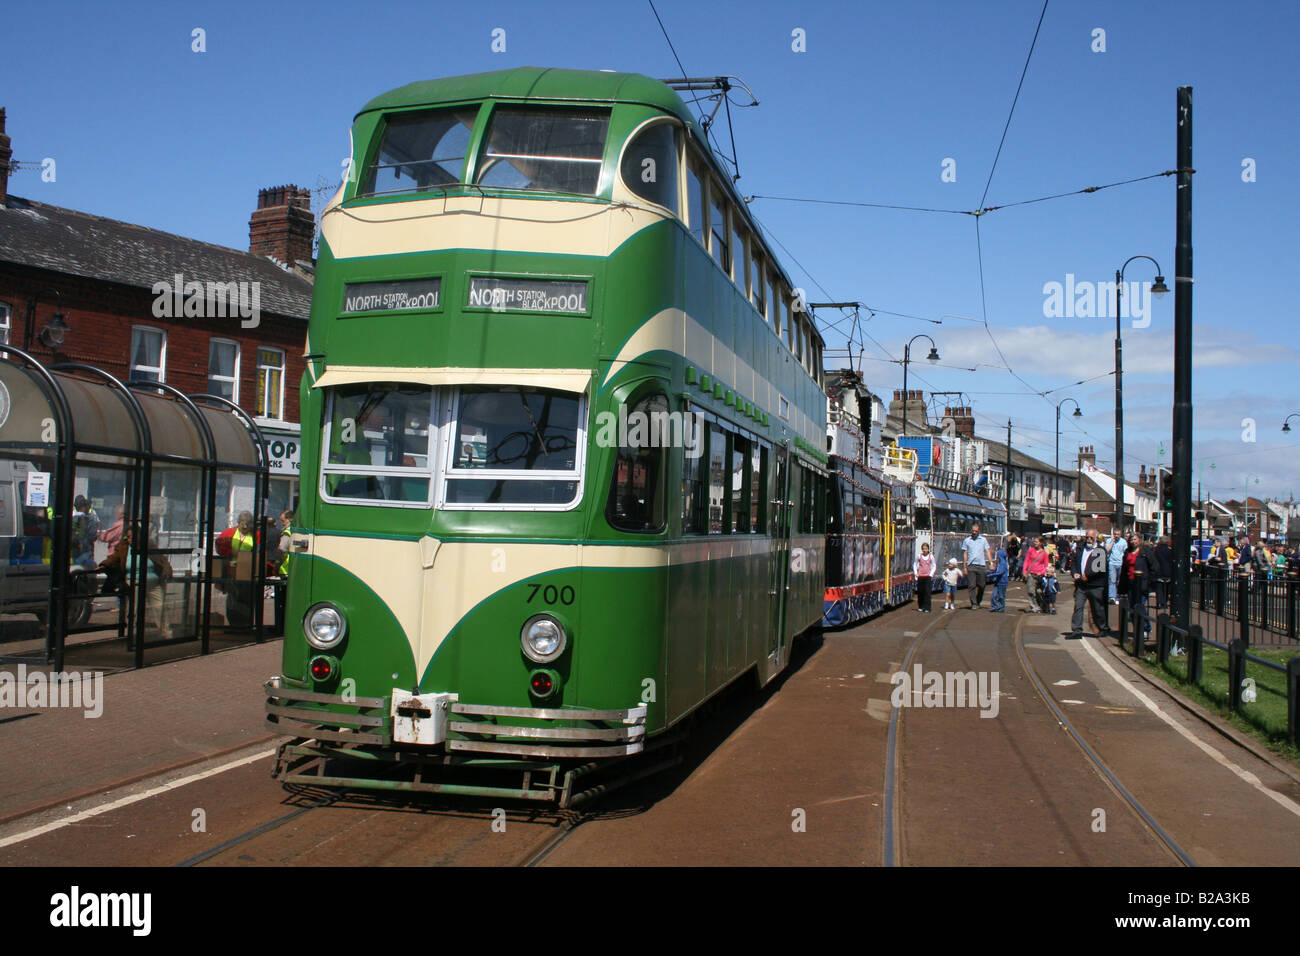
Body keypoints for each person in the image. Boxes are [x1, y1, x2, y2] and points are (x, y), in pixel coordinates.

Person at [1069, 529, 1111, 639]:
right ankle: (1077, 630)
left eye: (1091, 537)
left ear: (1096, 538)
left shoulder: (1100, 550)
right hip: (1081, 585)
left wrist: (1087, 575)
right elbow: (1073, 562)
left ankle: (1102, 628)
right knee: (1078, 606)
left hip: (1095, 585)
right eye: (1087, 537)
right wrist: (1075, 573)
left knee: (1097, 608)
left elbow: (1100, 568)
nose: (1088, 539)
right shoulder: (1080, 548)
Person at [1121, 532, 1152, 639]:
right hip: (1130, 583)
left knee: (1141, 606)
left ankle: (1145, 628)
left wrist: (1149, 580)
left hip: (1142, 584)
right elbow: (1124, 567)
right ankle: (1137, 628)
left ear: (1139, 540)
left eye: (1135, 539)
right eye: (1131, 540)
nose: (1133, 541)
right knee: (1132, 606)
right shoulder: (1127, 552)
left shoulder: (1145, 551)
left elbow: (1154, 566)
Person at [960, 522, 992, 609]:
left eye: (976, 531)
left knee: (982, 585)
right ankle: (974, 603)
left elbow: (987, 551)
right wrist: (964, 566)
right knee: (971, 585)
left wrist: (991, 563)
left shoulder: (983, 540)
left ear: (979, 531)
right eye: (973, 531)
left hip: (981, 565)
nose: (974, 532)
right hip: (971, 566)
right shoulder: (967, 540)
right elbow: (965, 554)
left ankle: (978, 600)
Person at [70, 494, 102, 566]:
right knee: (87, 566)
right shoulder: (90, 518)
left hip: (75, 546)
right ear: (83, 507)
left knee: (76, 565)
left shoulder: (71, 516)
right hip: (86, 547)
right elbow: (93, 535)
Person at [1022, 536, 1051, 613]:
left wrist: (1041, 572)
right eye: (1034, 541)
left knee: (1039, 592)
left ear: (1041, 543)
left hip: (1039, 575)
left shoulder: (1044, 553)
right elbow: (1026, 561)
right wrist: (1024, 571)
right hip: (1031, 574)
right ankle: (1034, 606)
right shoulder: (1031, 550)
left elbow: (1046, 566)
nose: (1034, 543)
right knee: (1031, 591)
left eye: (1036, 542)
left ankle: (1041, 605)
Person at [913, 542, 936, 613]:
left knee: (927, 592)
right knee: (920, 592)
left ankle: (927, 607)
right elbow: (914, 564)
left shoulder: (931, 557)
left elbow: (934, 565)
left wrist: (931, 574)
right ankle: (920, 606)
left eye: (926, 549)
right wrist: (916, 573)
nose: (924, 550)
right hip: (920, 576)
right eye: (923, 549)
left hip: (927, 576)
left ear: (928, 549)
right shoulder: (919, 556)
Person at [988, 540, 1009, 612]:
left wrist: (990, 575)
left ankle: (1001, 607)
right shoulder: (999, 563)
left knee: (1001, 596)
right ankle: (995, 606)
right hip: (998, 582)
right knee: (994, 595)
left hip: (1002, 582)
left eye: (998, 555)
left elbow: (1000, 572)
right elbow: (997, 571)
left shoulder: (1003, 563)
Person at [1107, 528, 1126, 604]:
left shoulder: (1123, 542)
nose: (1116, 536)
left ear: (1120, 534)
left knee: (1119, 581)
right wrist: (1112, 542)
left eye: (1118, 534)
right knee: (1112, 580)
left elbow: (1125, 552)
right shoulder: (1109, 541)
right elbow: (1107, 550)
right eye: (1115, 534)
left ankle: (1118, 596)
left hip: (1120, 563)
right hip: (1112, 563)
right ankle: (1112, 597)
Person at [1154, 536, 1173, 609]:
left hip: (1158, 571)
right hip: (1168, 571)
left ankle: (1159, 602)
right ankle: (1164, 603)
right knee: (1166, 588)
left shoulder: (1156, 550)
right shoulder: (1169, 551)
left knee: (1159, 588)